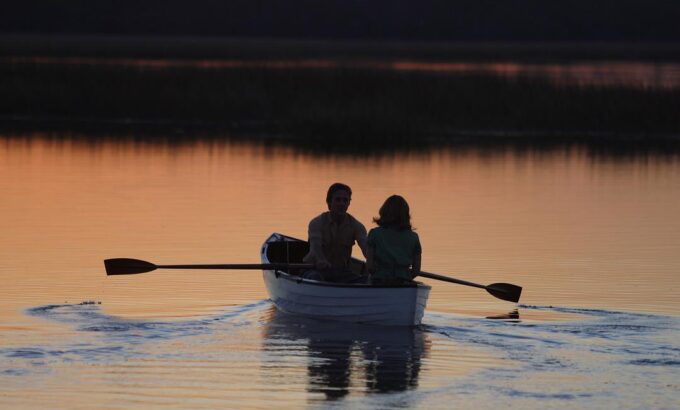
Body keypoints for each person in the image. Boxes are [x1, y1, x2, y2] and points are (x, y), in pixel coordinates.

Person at [302, 183, 368, 282]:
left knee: (367, 280)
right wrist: (321, 260)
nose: (341, 204)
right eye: (338, 200)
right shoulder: (316, 223)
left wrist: (375, 262)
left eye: (345, 200)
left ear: (349, 204)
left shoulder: (357, 226)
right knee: (315, 278)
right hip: (314, 269)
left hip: (342, 272)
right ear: (329, 203)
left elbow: (366, 248)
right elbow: (315, 246)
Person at [366, 195, 421, 285]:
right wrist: (405, 275)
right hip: (403, 281)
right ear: (406, 215)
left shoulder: (374, 234)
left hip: (379, 280)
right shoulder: (414, 237)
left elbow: (369, 267)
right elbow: (416, 270)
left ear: (384, 212)